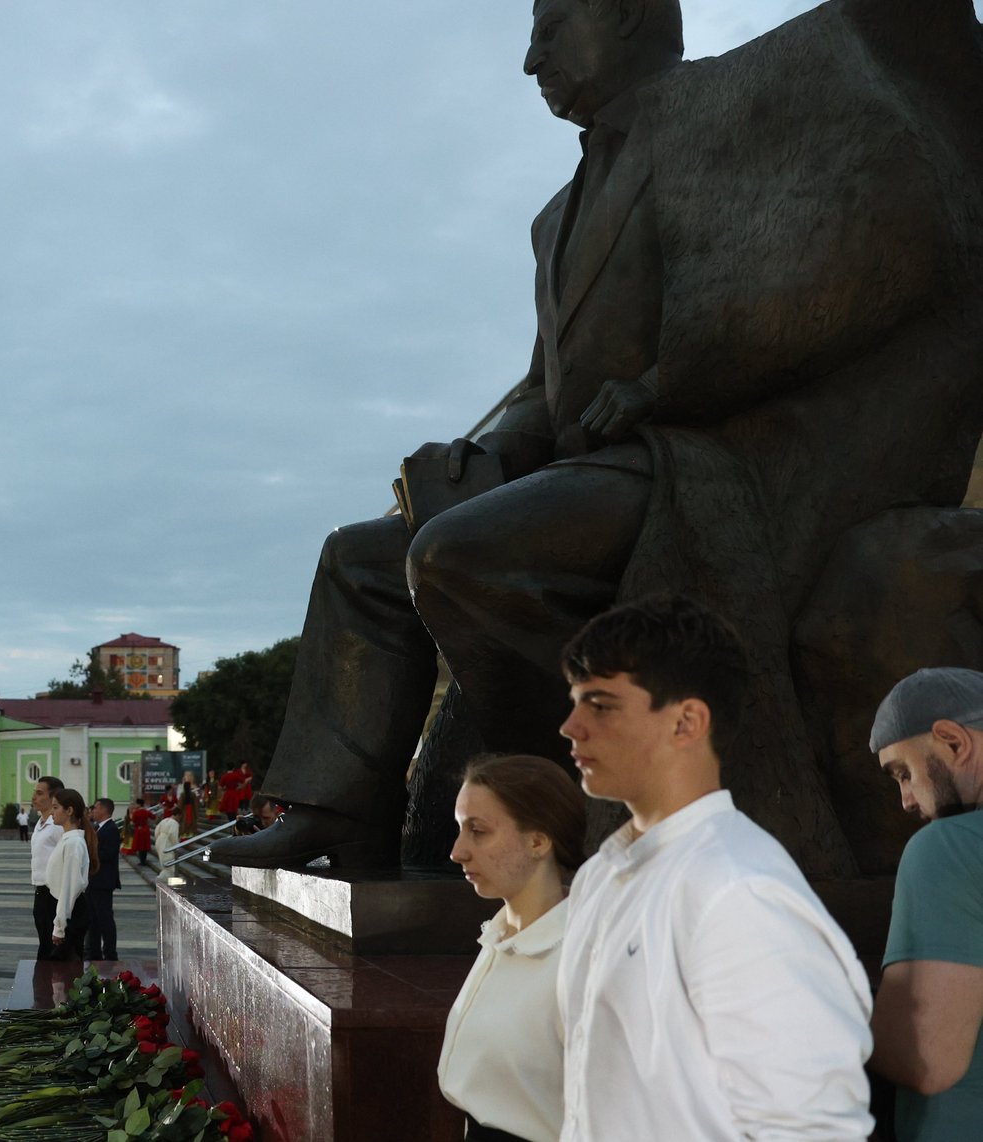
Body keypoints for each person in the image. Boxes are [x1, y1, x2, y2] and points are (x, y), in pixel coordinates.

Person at [214, 0, 983, 878]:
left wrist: (666, 383)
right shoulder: (555, 219)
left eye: (550, 25)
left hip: (712, 464)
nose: (531, 57)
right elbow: (545, 391)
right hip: (595, 471)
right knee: (361, 560)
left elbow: (841, 261)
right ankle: (338, 817)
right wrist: (483, 454)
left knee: (462, 557)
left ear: (624, 16)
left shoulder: (736, 106)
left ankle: (595, 795)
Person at [556, 595, 873, 1139]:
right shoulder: (600, 875)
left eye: (600, 705)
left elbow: (811, 1129)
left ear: (687, 722)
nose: (570, 726)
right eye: (575, 702)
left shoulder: (735, 888)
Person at [438, 755, 586, 1142]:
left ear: (538, 841)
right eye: (460, 829)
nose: (457, 851)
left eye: (478, 831)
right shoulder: (499, 937)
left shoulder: (579, 958)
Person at [867, 668, 983, 1140]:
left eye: (903, 773)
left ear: (954, 742)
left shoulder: (948, 848)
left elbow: (927, 1059)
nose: (906, 801)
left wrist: (824, 1002)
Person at [44, 790, 97, 962]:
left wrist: (59, 927)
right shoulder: (68, 840)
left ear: (69, 811)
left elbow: (69, 887)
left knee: (67, 973)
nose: (52, 812)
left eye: (55, 807)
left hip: (70, 914)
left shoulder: (73, 843)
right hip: (66, 910)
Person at [27, 777, 64, 961]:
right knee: (44, 942)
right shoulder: (40, 823)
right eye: (35, 792)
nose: (34, 797)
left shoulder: (57, 826)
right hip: (40, 891)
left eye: (40, 793)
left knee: (53, 949)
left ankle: (52, 988)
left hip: (54, 894)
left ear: (53, 797)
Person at [82, 799, 121, 961]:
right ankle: (94, 952)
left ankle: (110, 953)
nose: (93, 810)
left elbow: (108, 854)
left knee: (105, 919)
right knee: (93, 920)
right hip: (94, 881)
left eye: (96, 807)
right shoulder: (98, 828)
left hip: (103, 882)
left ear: (104, 810)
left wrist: (88, 856)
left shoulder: (111, 829)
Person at [127, 798, 153, 867]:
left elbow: (132, 822)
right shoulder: (146, 812)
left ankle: (142, 861)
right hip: (146, 829)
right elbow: (153, 817)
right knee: (145, 846)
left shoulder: (136, 812)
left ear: (139, 804)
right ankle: (144, 860)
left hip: (139, 830)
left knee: (140, 846)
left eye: (136, 804)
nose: (135, 805)